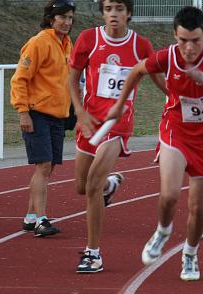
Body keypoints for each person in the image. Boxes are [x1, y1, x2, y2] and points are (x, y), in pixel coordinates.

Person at [107, 6, 203, 281]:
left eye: (195, 41)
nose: (189, 48)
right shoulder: (169, 57)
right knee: (170, 195)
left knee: (198, 207)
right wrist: (120, 104)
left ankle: (190, 253)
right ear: (175, 37)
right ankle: (162, 231)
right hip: (176, 129)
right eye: (183, 41)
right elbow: (137, 70)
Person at [69, 0, 166, 273]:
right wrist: (79, 112)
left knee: (92, 185)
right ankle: (111, 186)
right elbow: (72, 76)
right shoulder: (89, 39)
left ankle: (93, 254)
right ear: (103, 12)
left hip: (118, 123)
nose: (114, 14)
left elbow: (160, 80)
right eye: (109, 8)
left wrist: (184, 99)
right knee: (82, 187)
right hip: (90, 122)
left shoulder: (140, 45)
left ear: (129, 13)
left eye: (120, 9)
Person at [10, 0, 76, 237]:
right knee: (44, 166)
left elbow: (67, 80)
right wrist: (23, 111)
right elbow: (20, 79)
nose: (67, 22)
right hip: (37, 114)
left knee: (47, 169)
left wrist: (71, 109)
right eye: (62, 17)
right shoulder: (39, 42)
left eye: (70, 17)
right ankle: (40, 220)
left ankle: (30, 217)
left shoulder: (67, 44)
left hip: (58, 116)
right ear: (51, 18)